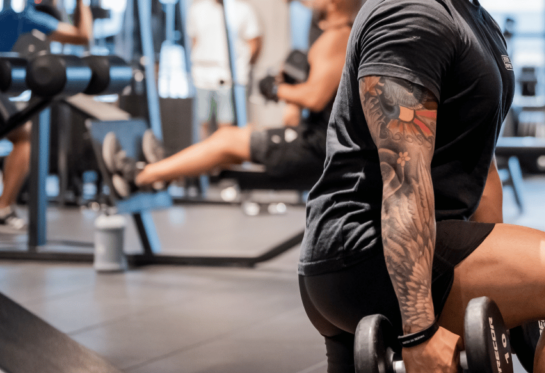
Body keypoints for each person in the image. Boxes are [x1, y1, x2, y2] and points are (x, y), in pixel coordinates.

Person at [297, 0, 545, 373]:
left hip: (387, 252)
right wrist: (419, 330)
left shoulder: (473, 17)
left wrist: (516, 292)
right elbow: (403, 178)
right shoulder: (413, 13)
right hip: (370, 252)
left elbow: (481, 170)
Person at [100, 0, 357, 197]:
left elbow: (313, 97)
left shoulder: (339, 36)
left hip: (318, 149)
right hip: (316, 140)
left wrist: (275, 90)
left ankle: (141, 176)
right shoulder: (333, 33)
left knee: (227, 139)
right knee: (233, 137)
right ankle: (166, 168)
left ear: (334, 2)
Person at [0, 0, 91, 233]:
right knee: (24, 137)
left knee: (21, 134)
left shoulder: (11, 16)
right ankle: (2, 209)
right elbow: (83, 36)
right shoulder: (29, 17)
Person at [187, 0, 262, 138]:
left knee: (226, 123)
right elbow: (194, 40)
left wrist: (242, 67)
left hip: (229, 77)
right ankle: (204, 157)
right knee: (201, 122)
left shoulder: (243, 9)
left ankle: (224, 159)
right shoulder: (197, 9)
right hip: (201, 76)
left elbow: (254, 42)